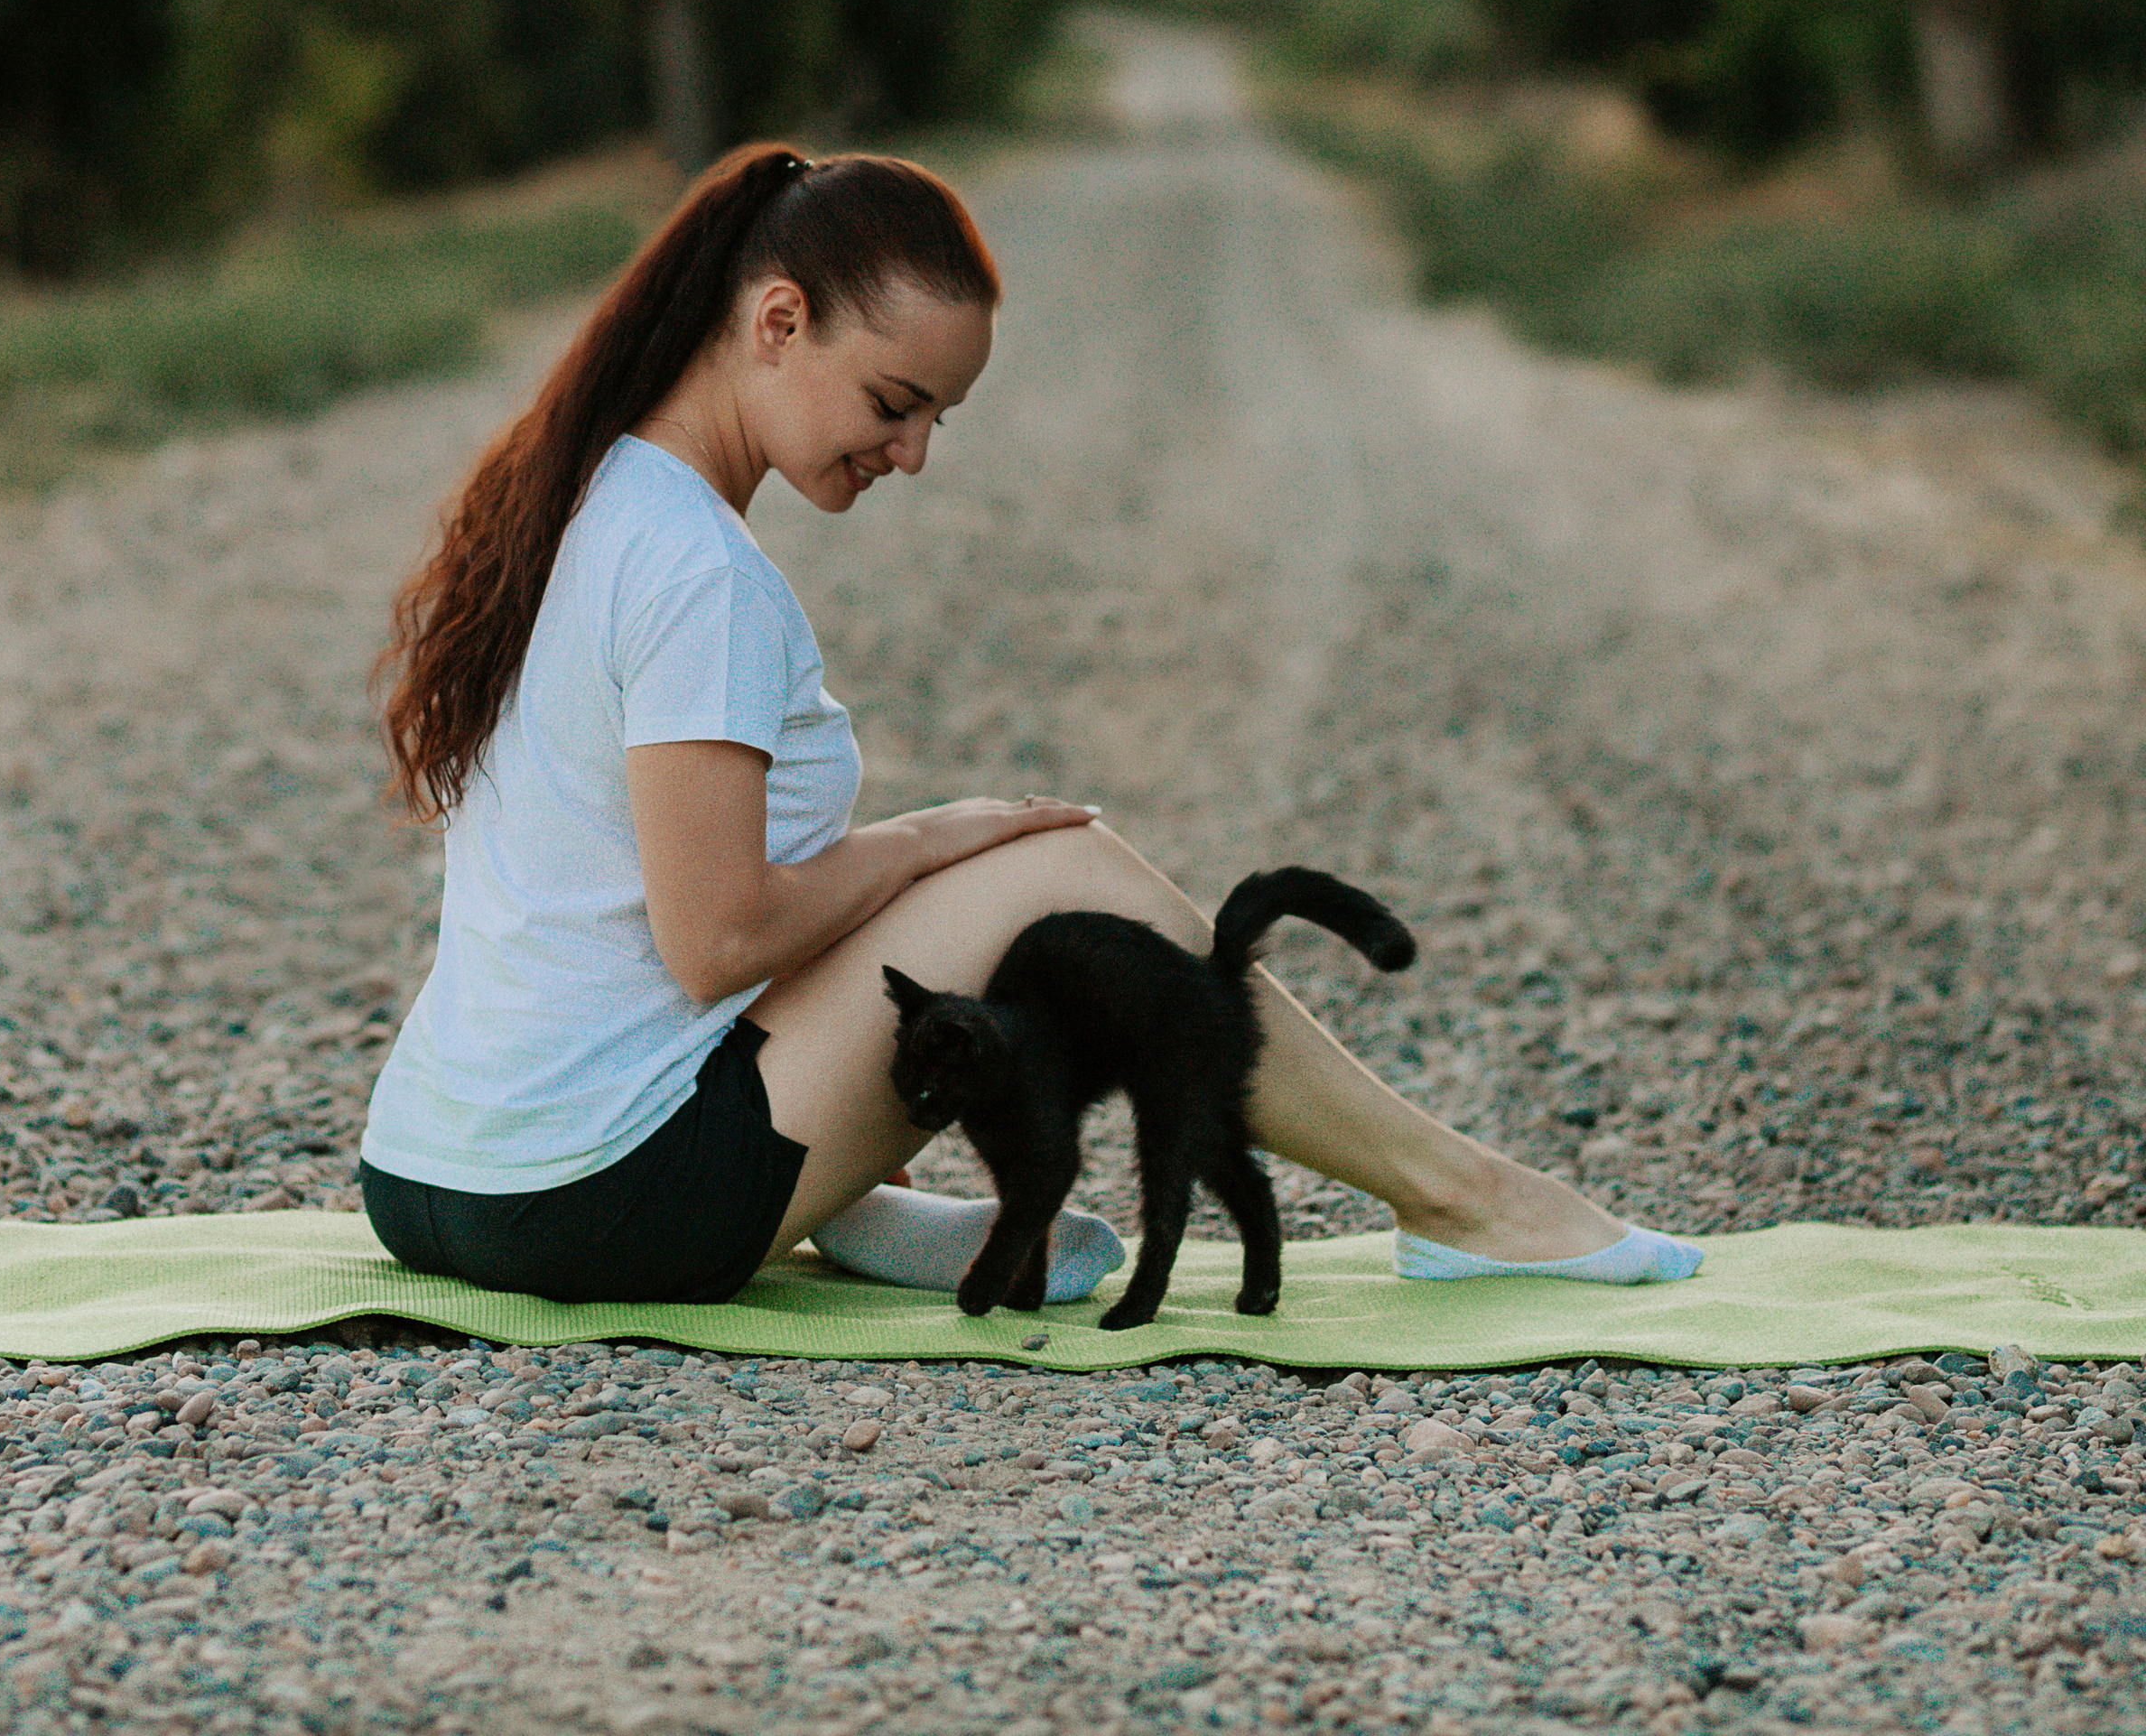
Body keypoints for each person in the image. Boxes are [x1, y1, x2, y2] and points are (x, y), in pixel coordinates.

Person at [358, 143, 1702, 1306]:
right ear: (777, 322)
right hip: (597, 1200)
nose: (915, 454)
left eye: (939, 417)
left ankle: (843, 1201)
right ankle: (1463, 1200)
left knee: (983, 877)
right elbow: (713, 941)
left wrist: (921, 861)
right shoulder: (698, 573)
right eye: (894, 402)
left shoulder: (583, 502)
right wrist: (933, 839)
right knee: (1061, 874)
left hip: (428, 1176)